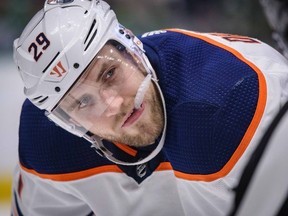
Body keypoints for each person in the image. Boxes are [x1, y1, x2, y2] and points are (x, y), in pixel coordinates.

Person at [11, 0, 288, 215]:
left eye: (109, 73)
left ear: (132, 45)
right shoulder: (46, 140)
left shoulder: (227, 101)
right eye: (83, 102)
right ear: (65, 122)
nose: (114, 104)